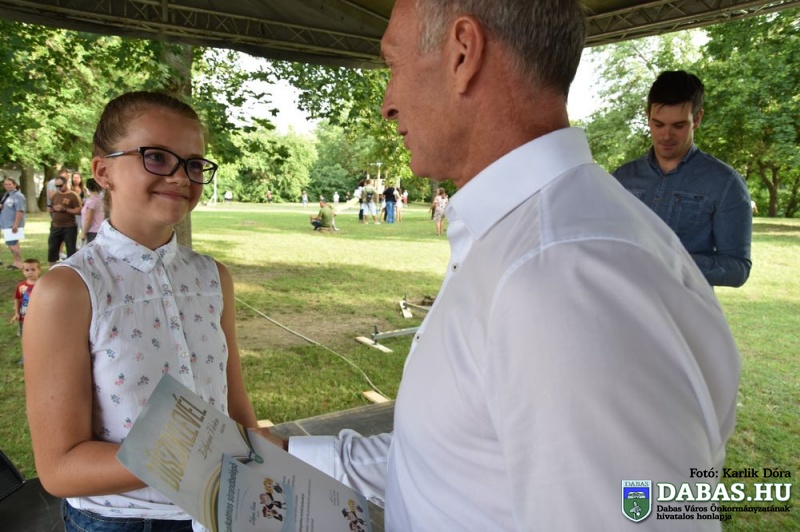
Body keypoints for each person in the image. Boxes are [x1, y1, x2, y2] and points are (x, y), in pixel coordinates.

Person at [278, 1, 741, 530]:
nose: (387, 103)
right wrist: (290, 454)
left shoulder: (559, 275)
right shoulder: (527, 240)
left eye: (394, 65)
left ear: (463, 54)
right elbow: (456, 458)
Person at [23, 91, 258, 531]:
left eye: (193, 164)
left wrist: (261, 465)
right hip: (126, 520)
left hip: (221, 508)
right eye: (156, 157)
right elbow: (60, 468)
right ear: (103, 171)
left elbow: (235, 406)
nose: (180, 176)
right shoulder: (69, 290)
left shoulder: (213, 277)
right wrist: (204, 455)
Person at [613, 71, 752, 288]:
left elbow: (737, 270)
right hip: (624, 302)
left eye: (678, 126)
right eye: (658, 124)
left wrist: (675, 263)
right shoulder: (622, 178)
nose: (666, 135)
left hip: (684, 307)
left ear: (697, 119)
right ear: (648, 117)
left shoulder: (725, 183)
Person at [47, 175, 82, 267]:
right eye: (56, 186)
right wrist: (52, 209)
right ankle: (51, 269)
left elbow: (79, 211)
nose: (59, 188)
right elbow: (52, 207)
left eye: (60, 186)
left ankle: (72, 268)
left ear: (66, 183)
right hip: (56, 226)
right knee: (52, 249)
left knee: (71, 250)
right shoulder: (55, 195)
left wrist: (65, 209)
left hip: (69, 227)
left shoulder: (73, 195)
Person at [0, 177, 26, 270]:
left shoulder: (18, 196)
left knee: (12, 244)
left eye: (9, 184)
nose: (7, 186)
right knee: (12, 244)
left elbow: (20, 211)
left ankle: (18, 263)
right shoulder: (7, 195)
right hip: (6, 224)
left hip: (12, 224)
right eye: (5, 184)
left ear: (15, 185)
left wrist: (15, 224)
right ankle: (16, 262)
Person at [81, 178, 105, 244]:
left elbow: (88, 219)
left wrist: (84, 233)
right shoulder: (100, 199)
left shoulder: (91, 201)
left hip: (92, 232)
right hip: (100, 229)